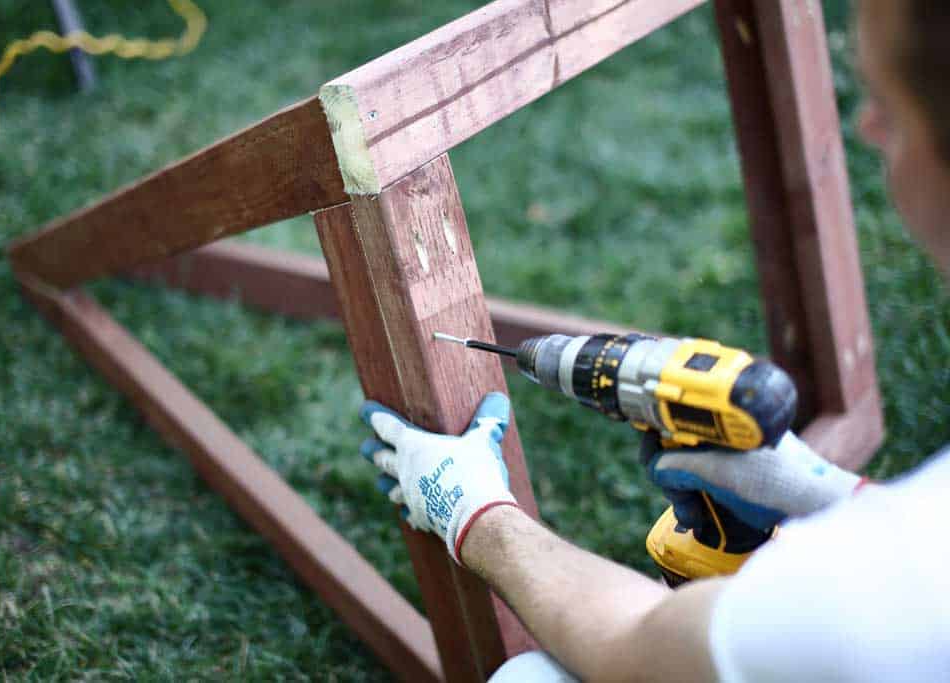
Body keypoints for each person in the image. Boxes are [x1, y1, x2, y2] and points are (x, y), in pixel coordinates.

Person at [358, 1, 950, 680]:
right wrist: (834, 495)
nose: (866, 124)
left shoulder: (863, 609)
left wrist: (474, 511)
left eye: (888, 108)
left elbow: (635, 648)